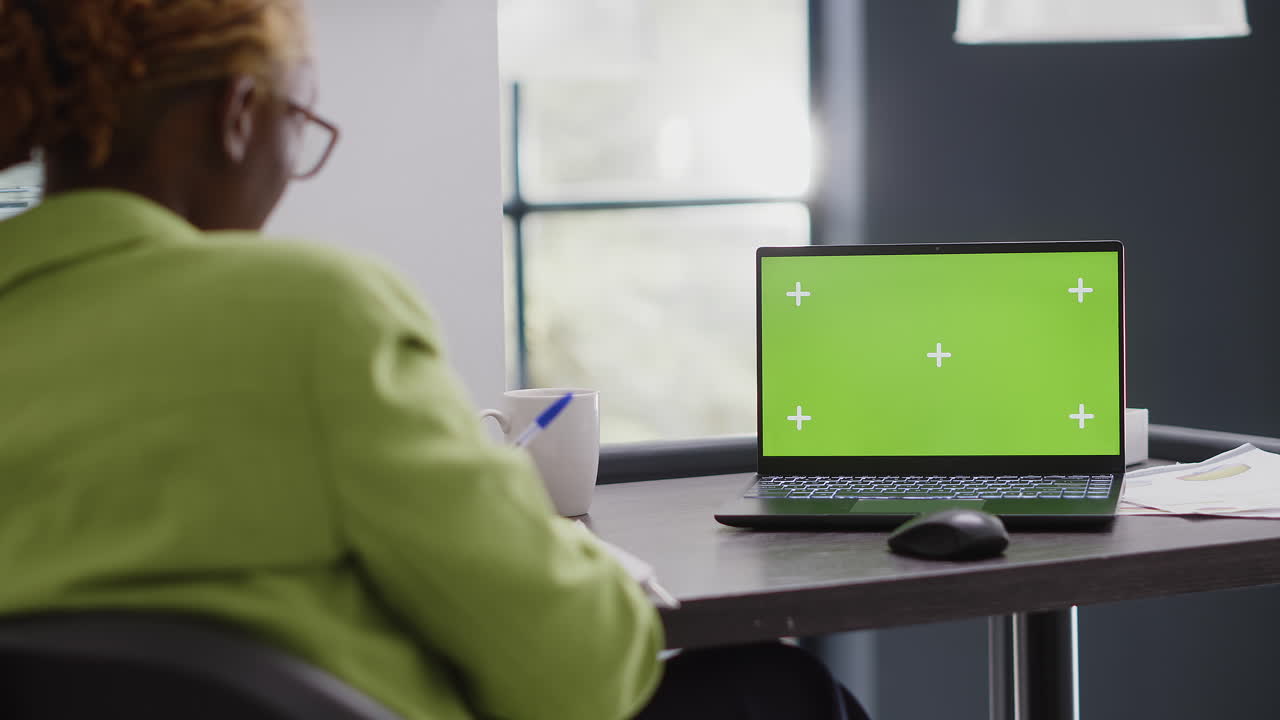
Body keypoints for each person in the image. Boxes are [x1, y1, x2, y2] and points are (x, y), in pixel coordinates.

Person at [0, 2, 870, 719]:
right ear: (237, 117)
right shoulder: (307, 316)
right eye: (298, 122)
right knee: (776, 687)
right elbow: (573, 671)